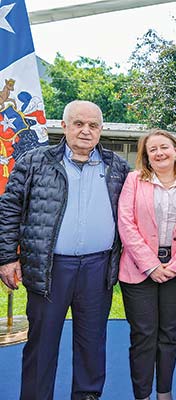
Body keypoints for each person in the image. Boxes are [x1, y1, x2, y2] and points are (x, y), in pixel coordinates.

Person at [0, 100, 129, 400]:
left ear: (101, 130)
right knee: (42, 343)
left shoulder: (117, 166)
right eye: (79, 124)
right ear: (64, 126)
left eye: (93, 125)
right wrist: (6, 257)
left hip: (98, 269)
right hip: (49, 268)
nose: (86, 131)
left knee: (92, 342)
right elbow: (8, 209)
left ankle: (86, 395)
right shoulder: (33, 161)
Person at [118, 129, 176, 400]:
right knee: (143, 335)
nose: (159, 153)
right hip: (138, 269)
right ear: (145, 155)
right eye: (152, 149)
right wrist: (151, 266)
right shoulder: (134, 180)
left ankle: (164, 393)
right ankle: (142, 394)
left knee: (169, 334)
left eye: (164, 147)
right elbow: (126, 223)